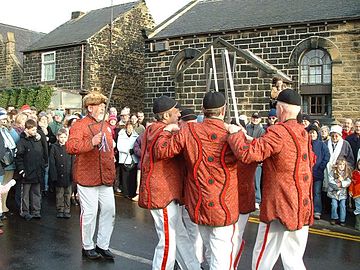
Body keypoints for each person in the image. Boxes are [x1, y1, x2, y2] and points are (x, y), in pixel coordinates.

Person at [154, 92, 250, 270]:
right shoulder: (230, 132)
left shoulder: (189, 130)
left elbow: (162, 151)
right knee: (221, 255)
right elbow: (249, 156)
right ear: (223, 110)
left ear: (203, 110)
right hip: (224, 204)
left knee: (211, 250)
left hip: (199, 202)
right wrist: (240, 135)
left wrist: (166, 132)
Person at [227, 89, 314, 270]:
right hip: (301, 205)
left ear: (281, 109)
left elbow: (249, 154)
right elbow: (277, 150)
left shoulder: (278, 131)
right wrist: (248, 137)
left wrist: (235, 135)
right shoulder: (303, 133)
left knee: (264, 253)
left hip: (279, 206)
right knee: (294, 259)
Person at [138, 95, 200, 270]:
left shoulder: (157, 129)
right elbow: (161, 151)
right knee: (168, 241)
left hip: (166, 192)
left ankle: (192, 267)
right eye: (176, 110)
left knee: (178, 235)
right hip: (161, 193)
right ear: (166, 116)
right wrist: (170, 131)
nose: (179, 113)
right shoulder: (158, 131)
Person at [66, 91, 116, 260]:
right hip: (87, 176)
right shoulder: (79, 125)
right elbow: (71, 147)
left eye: (104, 105)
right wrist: (91, 142)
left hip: (105, 177)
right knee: (90, 213)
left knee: (109, 210)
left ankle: (103, 245)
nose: (103, 108)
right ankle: (87, 246)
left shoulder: (107, 125)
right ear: (90, 108)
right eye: (100, 106)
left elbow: (109, 150)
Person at [15, 119, 46, 221]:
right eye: (32, 130)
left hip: (37, 171)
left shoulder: (37, 141)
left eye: (35, 129)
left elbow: (41, 155)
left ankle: (36, 211)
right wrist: (22, 171)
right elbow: (18, 158)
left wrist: (42, 167)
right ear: (27, 129)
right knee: (25, 194)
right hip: (27, 172)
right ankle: (25, 212)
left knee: (36, 192)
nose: (35, 132)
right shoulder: (22, 142)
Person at [49, 128, 73, 218]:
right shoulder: (54, 147)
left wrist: (72, 173)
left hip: (68, 174)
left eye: (65, 137)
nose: (63, 139)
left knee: (67, 193)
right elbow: (52, 162)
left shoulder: (69, 147)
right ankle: (60, 209)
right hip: (59, 174)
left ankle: (67, 209)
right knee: (59, 194)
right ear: (57, 137)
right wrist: (53, 175)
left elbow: (73, 161)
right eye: (61, 137)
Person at [308, 124, 330, 220]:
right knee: (307, 193)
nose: (312, 134)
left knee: (317, 193)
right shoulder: (305, 144)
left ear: (317, 134)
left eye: (314, 133)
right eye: (310, 133)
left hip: (318, 173)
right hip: (306, 174)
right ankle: (308, 210)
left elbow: (326, 156)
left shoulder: (321, 145)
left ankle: (317, 211)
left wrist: (321, 167)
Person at [246, 112, 265, 209]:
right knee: (248, 181)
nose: (255, 119)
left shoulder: (262, 131)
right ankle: (249, 200)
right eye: (254, 117)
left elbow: (260, 144)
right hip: (247, 159)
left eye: (257, 118)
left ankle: (257, 200)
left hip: (257, 160)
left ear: (260, 119)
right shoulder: (246, 128)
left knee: (256, 181)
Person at [0, 109, 17, 220]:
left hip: (9, 163)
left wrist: (10, 128)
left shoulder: (6, 130)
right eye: (3, 119)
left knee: (5, 187)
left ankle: (3, 206)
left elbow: (16, 139)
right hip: (1, 164)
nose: (4, 121)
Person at [116, 121, 139, 200]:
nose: (129, 129)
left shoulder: (136, 136)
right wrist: (127, 151)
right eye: (128, 127)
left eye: (131, 127)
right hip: (124, 158)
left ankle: (132, 192)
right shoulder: (121, 135)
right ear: (126, 127)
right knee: (125, 177)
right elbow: (119, 146)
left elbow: (137, 145)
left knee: (132, 177)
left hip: (133, 159)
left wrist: (133, 150)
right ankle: (126, 193)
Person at [327, 158, 352, 226]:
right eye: (340, 164)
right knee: (334, 205)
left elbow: (349, 181)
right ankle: (334, 218)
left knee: (342, 206)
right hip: (334, 193)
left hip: (342, 193)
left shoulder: (346, 173)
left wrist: (342, 183)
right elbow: (330, 181)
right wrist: (336, 185)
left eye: (343, 165)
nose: (341, 166)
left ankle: (342, 220)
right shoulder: (333, 172)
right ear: (337, 165)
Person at [349, 159, 360, 230]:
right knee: (358, 209)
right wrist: (350, 190)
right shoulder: (355, 173)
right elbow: (351, 183)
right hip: (357, 194)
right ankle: (358, 224)